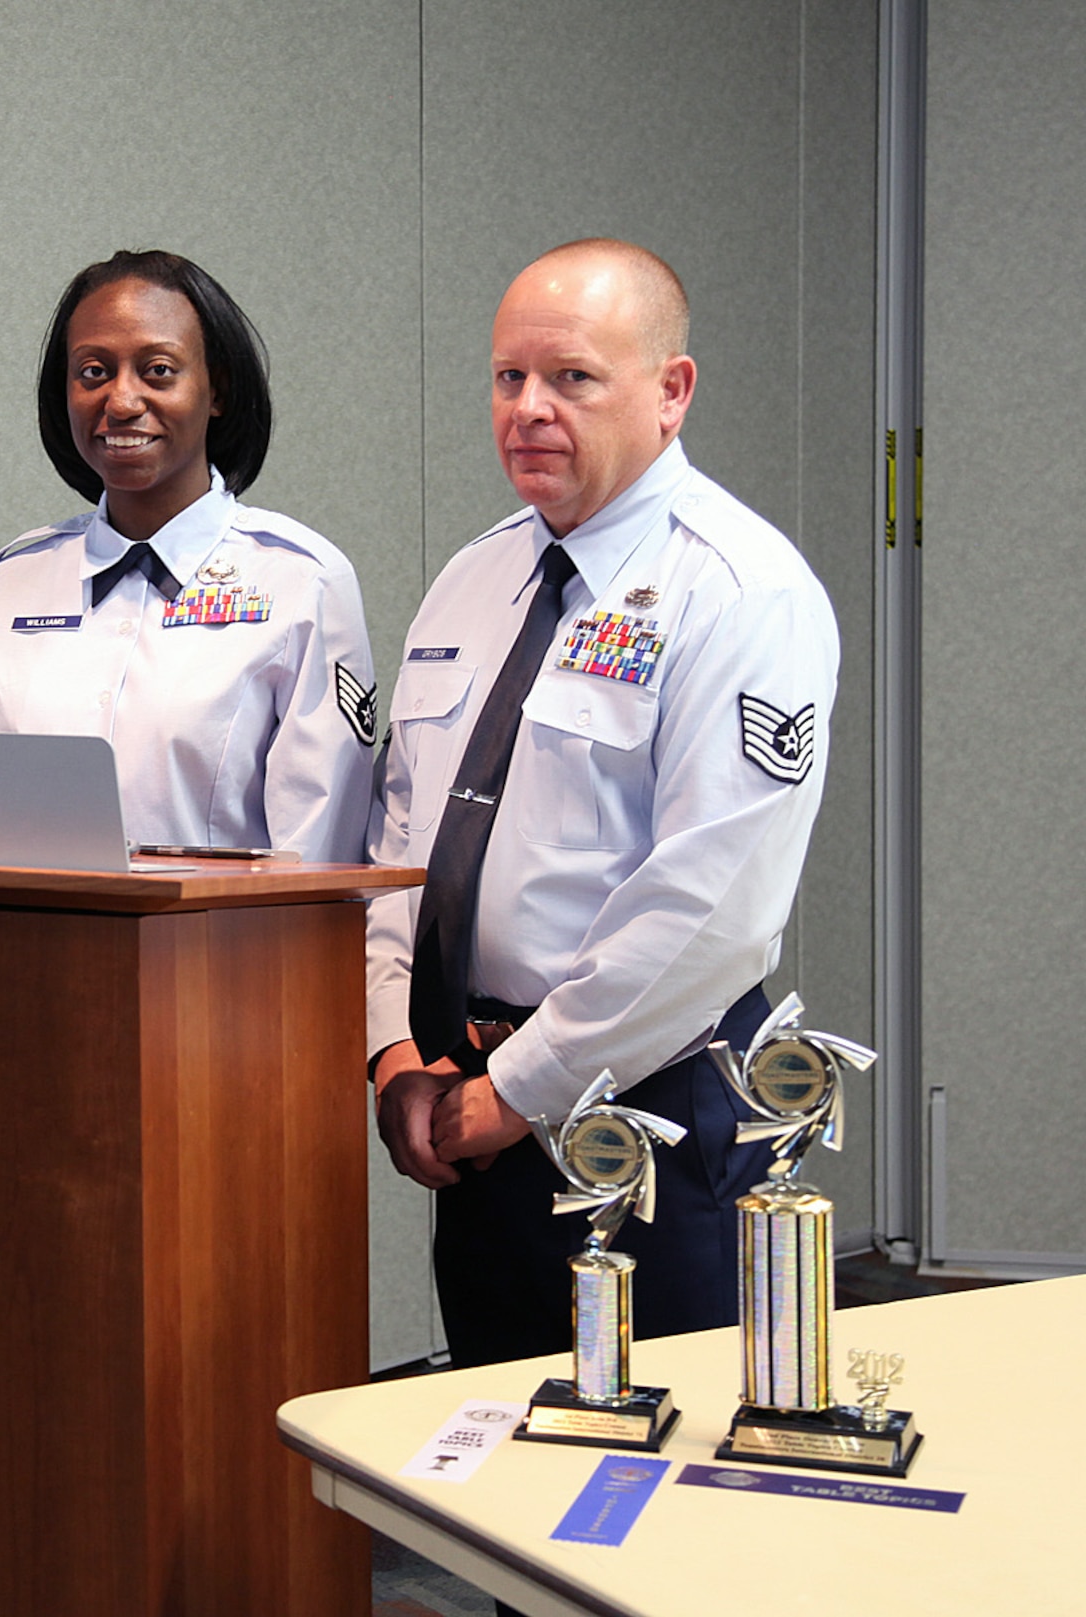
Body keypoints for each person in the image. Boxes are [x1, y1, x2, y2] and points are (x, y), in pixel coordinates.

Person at [367, 239, 839, 1370]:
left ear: (669, 392)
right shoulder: (474, 576)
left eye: (570, 378)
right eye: (506, 378)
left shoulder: (739, 592)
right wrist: (392, 1052)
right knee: (496, 1466)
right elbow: (397, 838)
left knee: (666, 1484)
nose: (528, 409)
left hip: (647, 1119)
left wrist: (516, 1094)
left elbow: (711, 909)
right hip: (465, 1106)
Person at [0, 250, 375, 863]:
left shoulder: (299, 581)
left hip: (224, 956)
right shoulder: (9, 585)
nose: (121, 400)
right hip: (27, 950)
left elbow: (319, 859)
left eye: (158, 370)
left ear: (216, 389)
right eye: (93, 372)